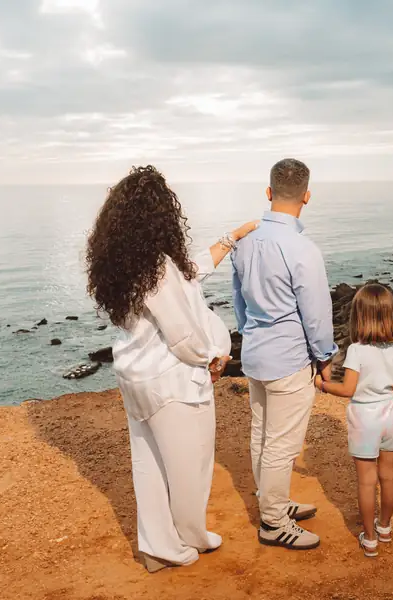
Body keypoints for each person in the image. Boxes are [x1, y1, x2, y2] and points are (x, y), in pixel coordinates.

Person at [85, 165, 258, 573]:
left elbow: (189, 274)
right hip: (171, 381)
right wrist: (213, 357)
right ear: (162, 215)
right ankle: (191, 538)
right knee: (190, 466)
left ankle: (157, 547)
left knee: (148, 464)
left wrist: (230, 239)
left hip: (136, 378)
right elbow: (181, 334)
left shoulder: (126, 265)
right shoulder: (157, 268)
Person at [231, 158, 338, 550]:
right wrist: (325, 357)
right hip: (289, 359)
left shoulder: (244, 242)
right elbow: (316, 313)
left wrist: (248, 336)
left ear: (269, 192)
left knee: (262, 435)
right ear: (307, 197)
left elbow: (239, 303)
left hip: (256, 355)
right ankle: (273, 523)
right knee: (281, 444)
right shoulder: (302, 248)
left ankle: (271, 503)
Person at [313, 283, 393, 558]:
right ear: (390, 314)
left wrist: (321, 384)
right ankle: (386, 528)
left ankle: (369, 539)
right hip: (391, 417)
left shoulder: (356, 350)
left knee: (367, 481)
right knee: (389, 477)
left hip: (365, 419)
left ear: (358, 316)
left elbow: (348, 390)